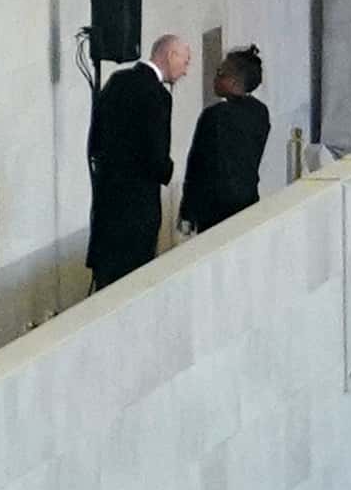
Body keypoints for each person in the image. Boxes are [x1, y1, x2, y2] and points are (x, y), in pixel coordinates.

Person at [83, 19, 187, 289]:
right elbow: (155, 154)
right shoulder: (157, 95)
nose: (186, 71)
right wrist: (168, 171)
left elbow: (95, 140)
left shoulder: (117, 81)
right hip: (137, 207)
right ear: (170, 55)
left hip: (107, 202)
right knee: (133, 282)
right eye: (185, 62)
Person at [178, 41, 273, 232]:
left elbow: (197, 166)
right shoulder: (260, 112)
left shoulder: (215, 115)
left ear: (234, 82)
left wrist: (187, 210)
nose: (214, 78)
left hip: (214, 207)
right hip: (247, 200)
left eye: (220, 73)